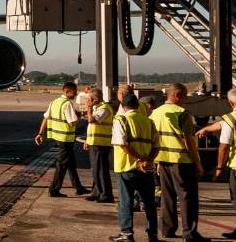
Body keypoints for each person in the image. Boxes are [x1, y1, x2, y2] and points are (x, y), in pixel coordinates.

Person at [150, 83, 206, 241]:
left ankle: (167, 229)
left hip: (163, 160)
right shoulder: (182, 113)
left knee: (167, 196)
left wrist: (157, 161)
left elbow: (154, 138)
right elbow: (189, 141)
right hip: (181, 161)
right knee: (187, 197)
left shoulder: (156, 113)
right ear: (176, 95)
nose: (186, 98)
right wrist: (198, 163)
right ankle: (189, 233)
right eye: (184, 95)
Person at [110, 92, 160, 242]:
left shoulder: (121, 120)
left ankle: (127, 233)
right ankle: (152, 234)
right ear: (138, 106)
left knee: (126, 201)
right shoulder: (149, 122)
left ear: (123, 106)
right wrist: (147, 160)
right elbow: (156, 146)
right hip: (146, 168)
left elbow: (122, 144)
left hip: (126, 167)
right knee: (149, 202)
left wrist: (138, 159)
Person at [194, 88, 236, 239]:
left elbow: (224, 145)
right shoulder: (229, 120)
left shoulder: (231, 118)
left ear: (231, 103)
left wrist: (219, 167)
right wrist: (207, 128)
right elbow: (222, 125)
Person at [35, 82, 90, 197]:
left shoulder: (54, 102)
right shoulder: (67, 104)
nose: (76, 94)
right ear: (67, 92)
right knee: (62, 165)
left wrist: (40, 133)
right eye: (74, 92)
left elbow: (45, 118)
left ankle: (78, 187)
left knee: (71, 164)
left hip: (58, 137)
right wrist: (80, 115)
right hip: (65, 138)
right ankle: (54, 189)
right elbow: (72, 123)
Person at [84, 91, 115, 203]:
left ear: (95, 100)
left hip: (101, 143)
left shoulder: (104, 109)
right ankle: (96, 191)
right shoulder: (97, 108)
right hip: (95, 142)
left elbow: (91, 120)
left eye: (89, 99)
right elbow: (91, 127)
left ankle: (106, 194)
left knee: (101, 170)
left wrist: (89, 108)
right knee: (95, 169)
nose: (87, 101)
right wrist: (87, 140)